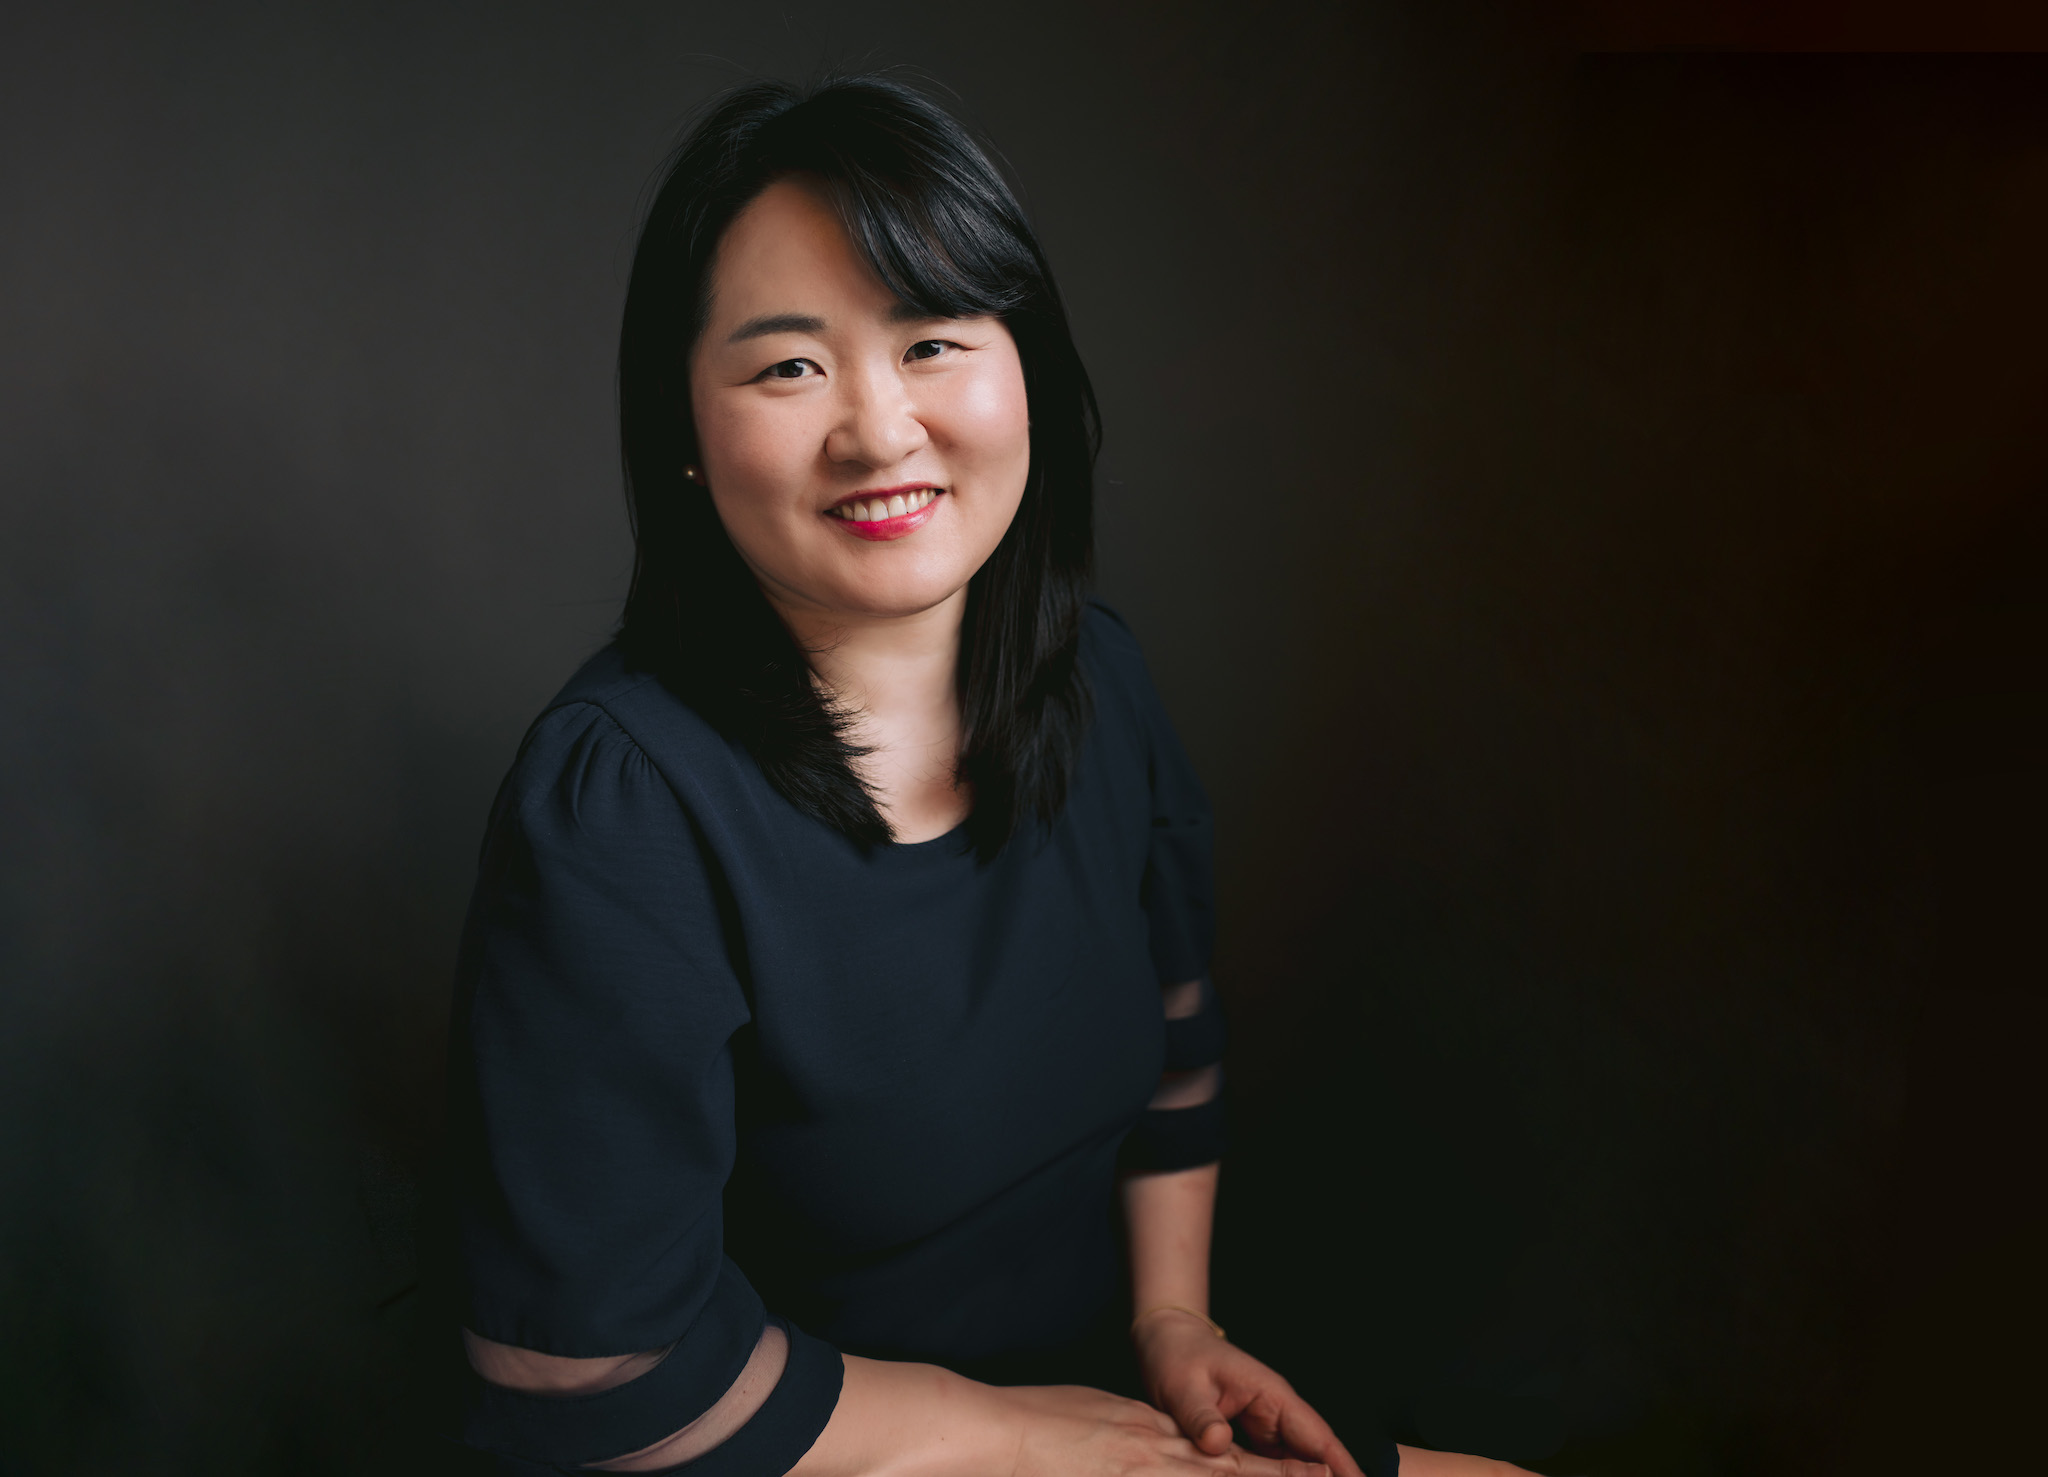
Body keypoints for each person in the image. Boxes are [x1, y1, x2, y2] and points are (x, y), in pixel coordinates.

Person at [444, 75, 1524, 1477]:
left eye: (934, 340)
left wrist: (1171, 1315)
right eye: (789, 366)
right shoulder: (621, 809)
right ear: (688, 436)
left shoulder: (1099, 688)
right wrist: (1018, 1442)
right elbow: (598, 1380)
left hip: (1094, 1416)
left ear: (1027, 363)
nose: (880, 430)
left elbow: (1179, 1043)